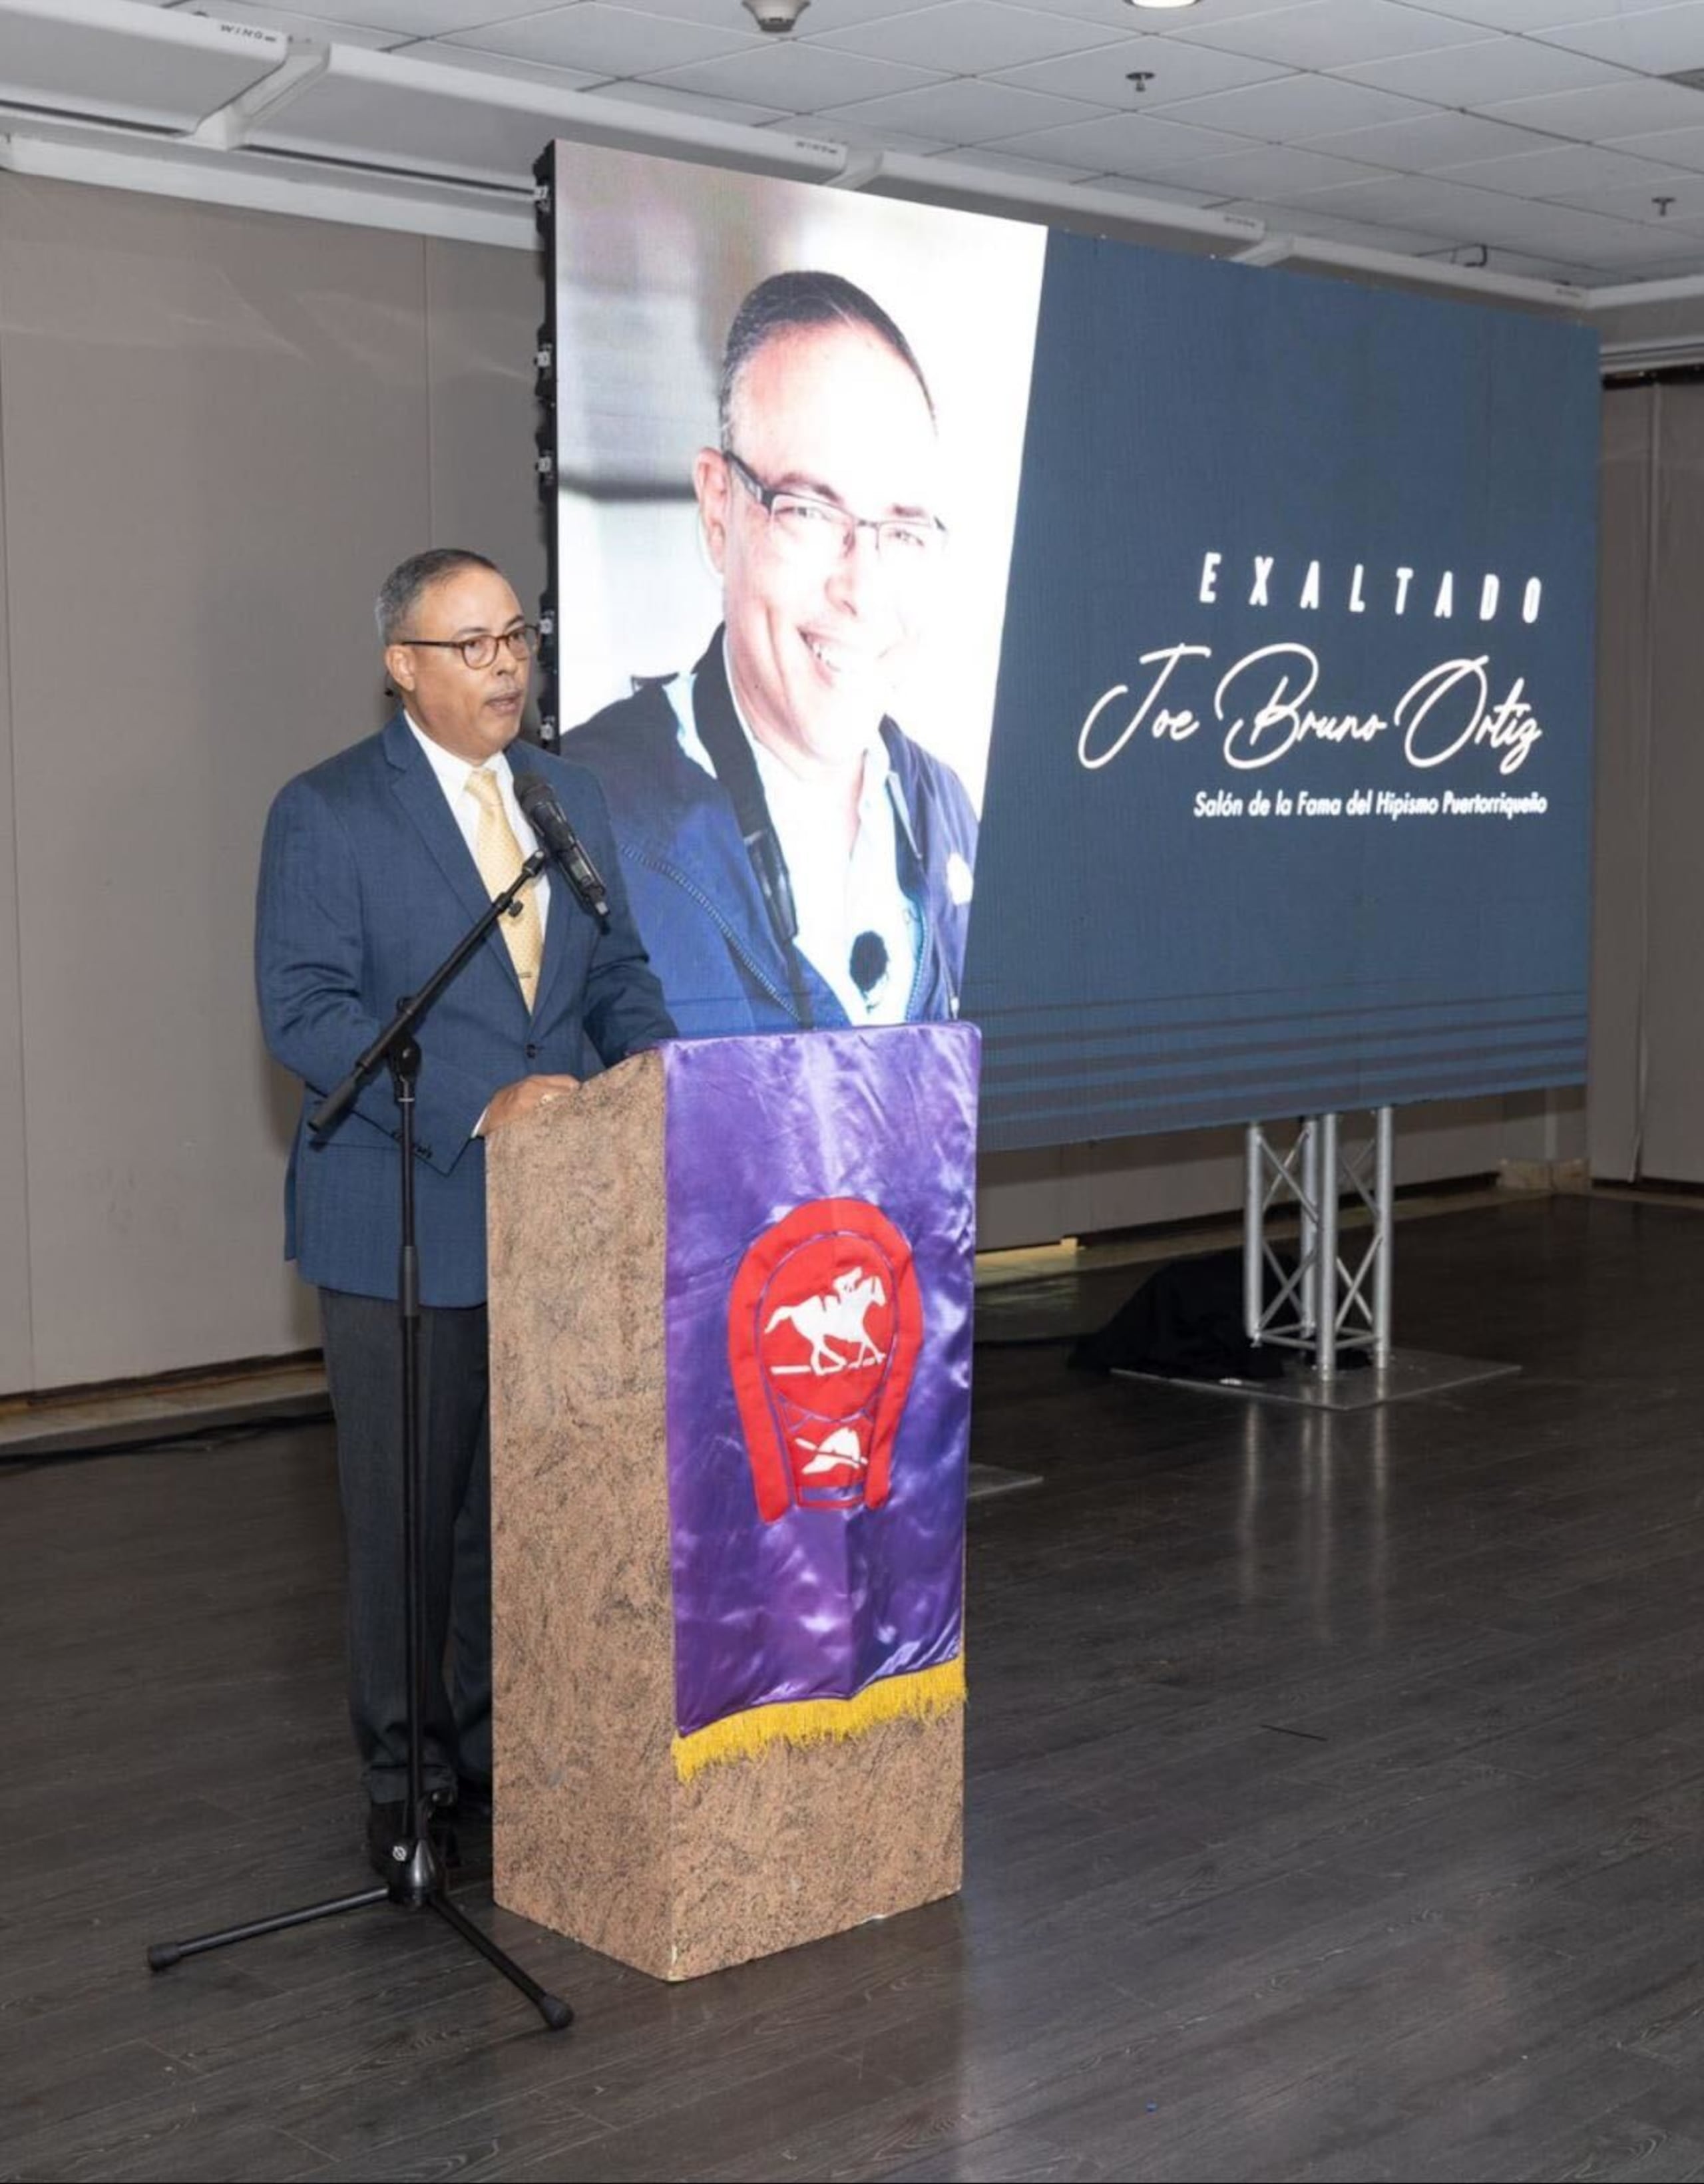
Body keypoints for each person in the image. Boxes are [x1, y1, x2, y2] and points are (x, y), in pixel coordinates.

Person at [255, 548, 674, 1877]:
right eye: (473, 644)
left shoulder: (573, 797)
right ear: (402, 668)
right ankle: (405, 1778)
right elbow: (308, 1013)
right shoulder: (327, 812)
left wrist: (669, 1086)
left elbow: (615, 984)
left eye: (518, 638)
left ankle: (498, 1751)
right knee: (406, 1519)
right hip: (403, 1212)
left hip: (559, 1226)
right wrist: (480, 1105)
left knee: (522, 1505)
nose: (507, 666)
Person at [567, 270, 978, 1036]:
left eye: (903, 531)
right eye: (811, 512)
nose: (861, 586)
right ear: (719, 510)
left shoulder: (948, 814)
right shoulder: (586, 822)